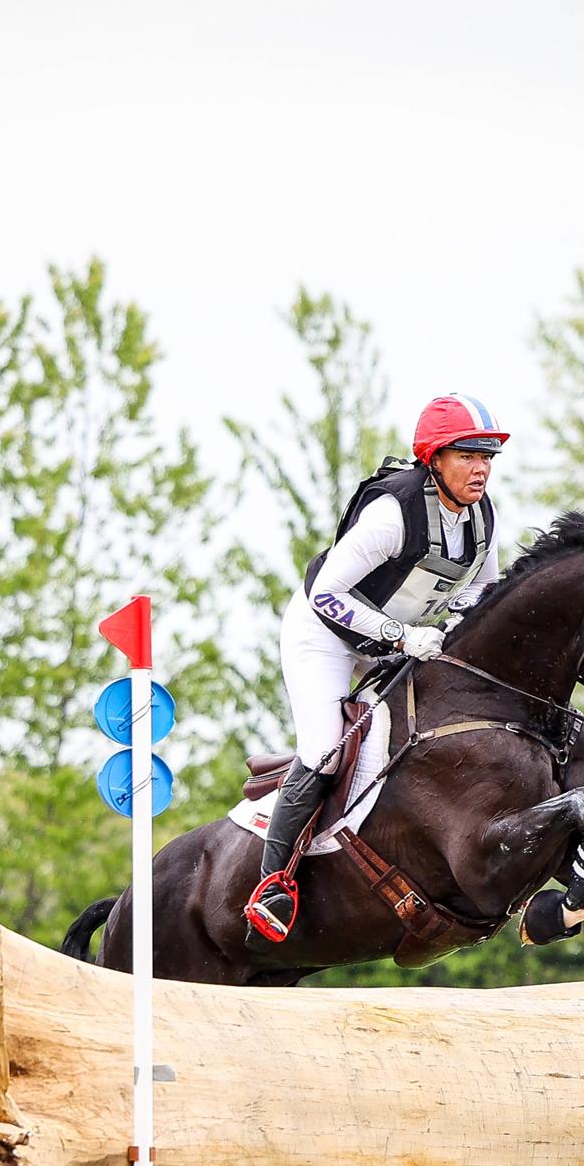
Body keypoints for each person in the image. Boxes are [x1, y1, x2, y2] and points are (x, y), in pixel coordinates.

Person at [243, 394, 508, 944]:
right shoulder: (393, 513)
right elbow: (325, 594)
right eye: (468, 455)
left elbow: (482, 595)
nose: (481, 468)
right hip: (325, 635)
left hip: (396, 644)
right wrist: (402, 635)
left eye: (488, 456)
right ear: (434, 458)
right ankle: (273, 883)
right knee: (323, 748)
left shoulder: (483, 521)